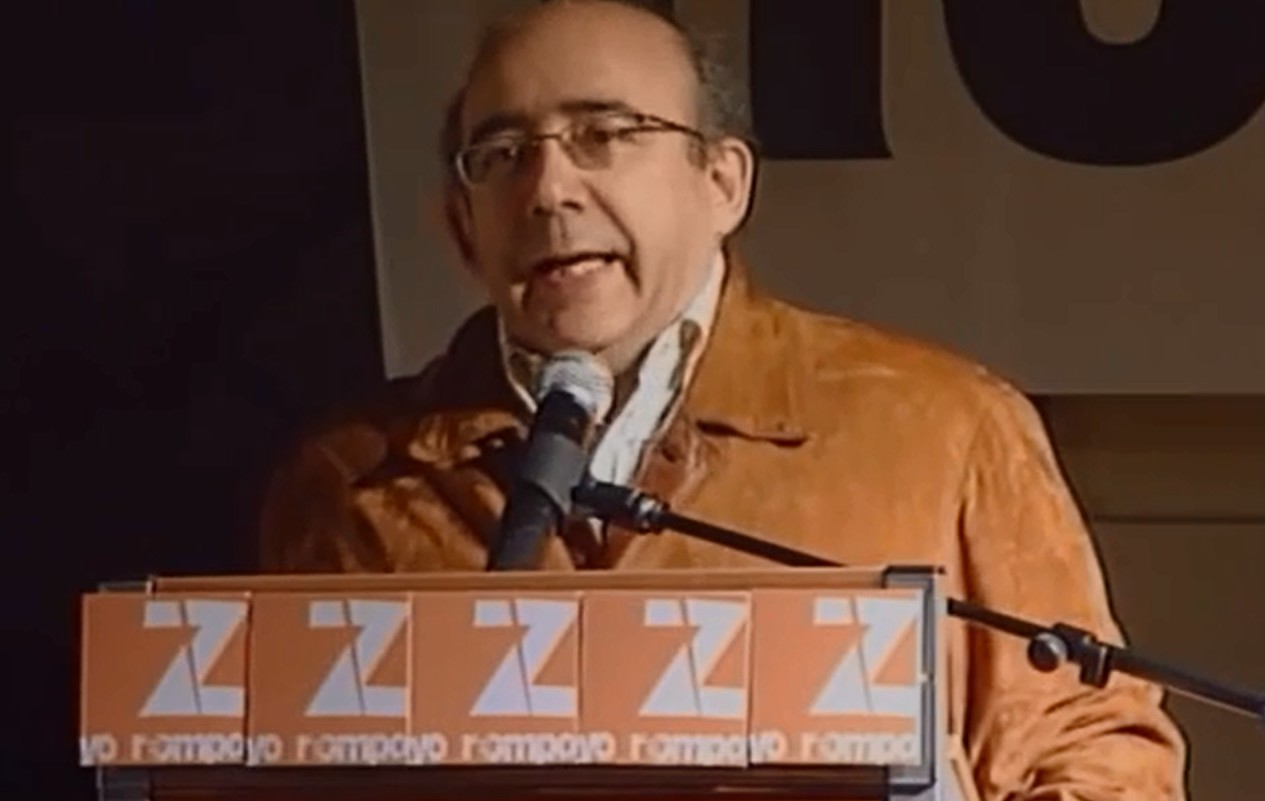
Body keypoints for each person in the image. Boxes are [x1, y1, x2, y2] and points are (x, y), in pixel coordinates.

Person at [257, 1, 1187, 797]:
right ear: (461, 225)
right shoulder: (351, 482)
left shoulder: (942, 428)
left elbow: (1100, 756)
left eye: (605, 135)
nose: (548, 190)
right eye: (501, 154)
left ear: (723, 182)